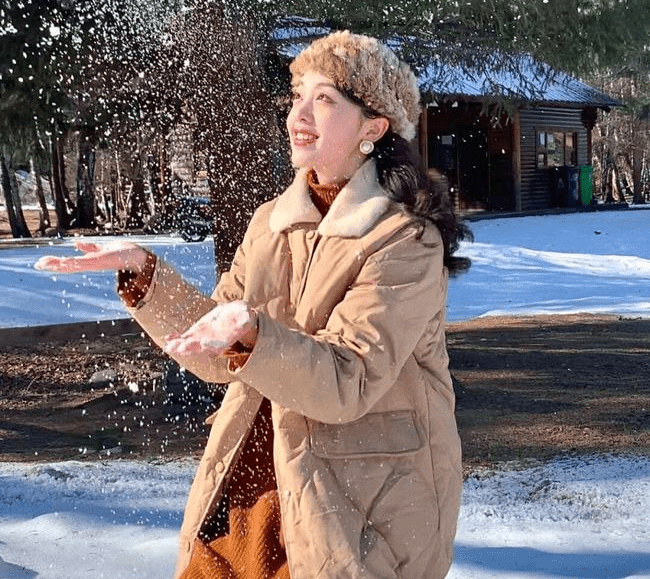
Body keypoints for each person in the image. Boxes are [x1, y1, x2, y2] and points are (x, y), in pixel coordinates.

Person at [36, 30, 470, 579]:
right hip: (249, 497)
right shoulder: (271, 222)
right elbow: (215, 350)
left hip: (360, 507)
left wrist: (253, 333)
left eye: (325, 100)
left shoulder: (404, 240)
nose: (299, 115)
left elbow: (349, 377)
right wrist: (144, 273)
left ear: (373, 128)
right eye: (297, 96)